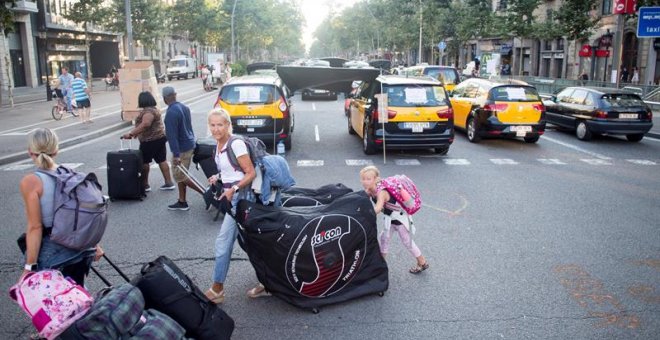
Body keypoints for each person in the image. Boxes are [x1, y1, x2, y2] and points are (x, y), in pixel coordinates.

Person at [18, 128, 103, 286]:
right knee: (76, 300)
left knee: (53, 306)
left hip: (55, 254)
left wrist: (29, 267)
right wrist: (94, 245)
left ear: (30, 152)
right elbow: (79, 216)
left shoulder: (31, 182)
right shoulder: (68, 173)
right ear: (56, 150)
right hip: (82, 251)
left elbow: (35, 227)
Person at [204, 108, 261, 304]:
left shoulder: (236, 144)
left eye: (220, 124)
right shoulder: (218, 145)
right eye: (213, 125)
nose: (216, 129)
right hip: (233, 197)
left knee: (224, 243)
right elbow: (232, 170)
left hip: (242, 198)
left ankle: (218, 288)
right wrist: (218, 177)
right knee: (253, 243)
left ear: (228, 125)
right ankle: (269, 281)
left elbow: (250, 173)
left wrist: (234, 188)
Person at [360, 166, 429, 274]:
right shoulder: (369, 190)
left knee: (407, 242)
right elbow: (363, 201)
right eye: (363, 179)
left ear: (376, 179)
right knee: (384, 238)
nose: (365, 181)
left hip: (399, 219)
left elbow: (378, 208)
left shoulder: (381, 192)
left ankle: (422, 262)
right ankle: (381, 264)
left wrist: (363, 214)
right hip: (390, 218)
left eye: (368, 179)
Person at [121, 91, 175, 192]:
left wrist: (131, 133)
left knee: (145, 162)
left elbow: (146, 124)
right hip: (159, 138)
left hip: (149, 140)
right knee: (161, 160)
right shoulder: (154, 109)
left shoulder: (148, 112)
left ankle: (145, 185)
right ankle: (169, 182)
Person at [162, 86, 203, 210]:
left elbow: (172, 136)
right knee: (182, 174)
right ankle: (182, 201)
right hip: (189, 144)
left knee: (180, 176)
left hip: (181, 149)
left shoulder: (170, 113)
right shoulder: (184, 107)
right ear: (175, 94)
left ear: (165, 99)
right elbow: (187, 127)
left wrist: (176, 155)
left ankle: (206, 194)